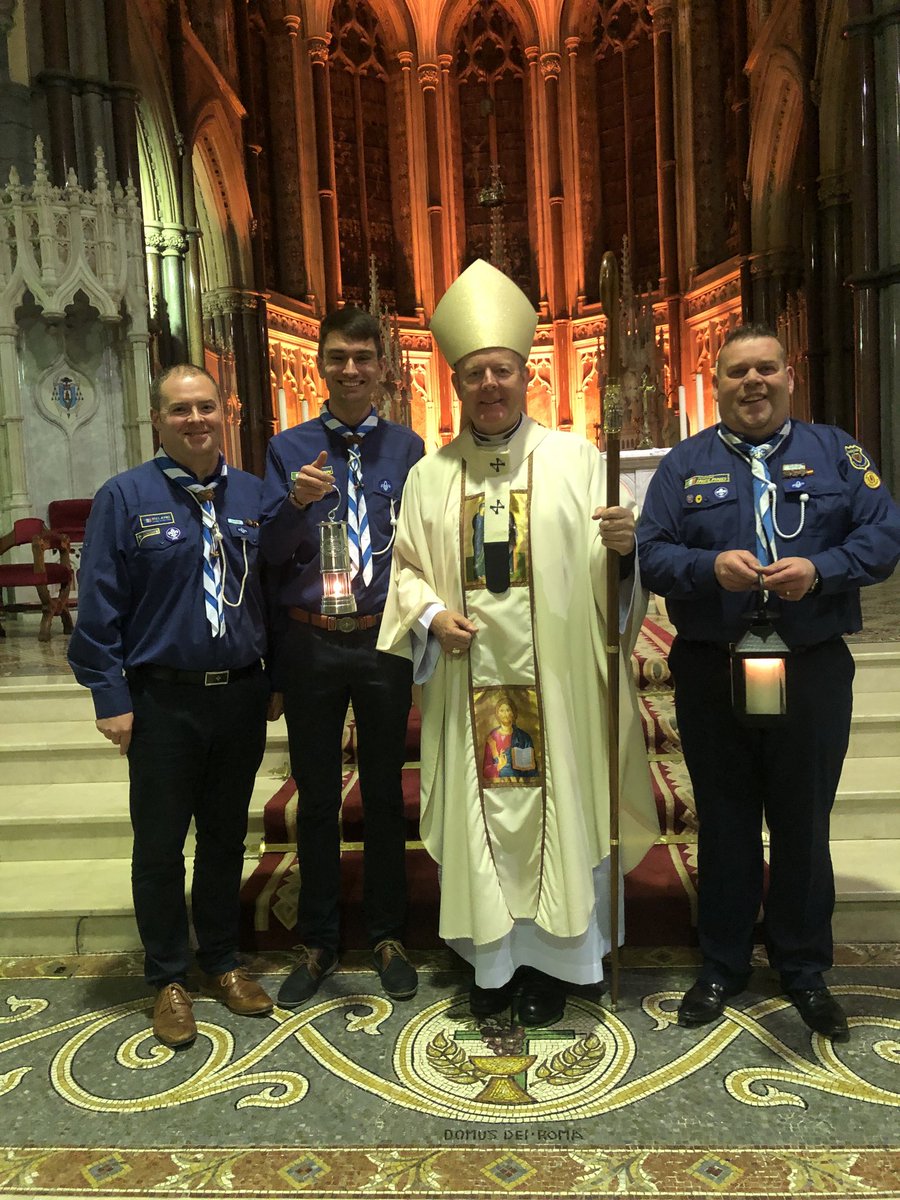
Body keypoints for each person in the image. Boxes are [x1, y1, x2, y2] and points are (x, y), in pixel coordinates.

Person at [378, 259, 658, 1026]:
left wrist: (630, 551)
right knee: (484, 820)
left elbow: (617, 579)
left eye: (501, 369)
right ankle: (495, 964)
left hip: (559, 690)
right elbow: (404, 570)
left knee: (563, 805)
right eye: (475, 374)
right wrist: (433, 615)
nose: (490, 384)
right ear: (458, 383)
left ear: (525, 372)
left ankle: (567, 958)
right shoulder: (430, 477)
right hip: (473, 688)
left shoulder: (576, 462)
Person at [637, 324, 900, 1040]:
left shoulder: (835, 452)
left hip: (810, 665)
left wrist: (822, 570)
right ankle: (721, 963)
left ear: (790, 377)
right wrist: (705, 569)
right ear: (715, 383)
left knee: (802, 822)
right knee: (723, 822)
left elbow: (882, 535)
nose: (752, 383)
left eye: (766, 369)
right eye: (736, 373)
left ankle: (804, 967)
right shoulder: (683, 465)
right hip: (712, 666)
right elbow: (651, 553)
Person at [68, 365, 276, 1048]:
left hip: (239, 696)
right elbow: (98, 605)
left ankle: (220, 959)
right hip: (161, 699)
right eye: (180, 410)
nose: (196, 420)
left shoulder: (252, 495)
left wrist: (272, 675)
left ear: (227, 414)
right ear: (158, 420)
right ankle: (167, 976)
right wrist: (109, 694)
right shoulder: (125, 497)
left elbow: (268, 592)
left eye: (207, 407)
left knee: (224, 838)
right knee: (160, 845)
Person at [260, 306, 425, 1008]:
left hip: (383, 638)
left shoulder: (410, 450)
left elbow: (424, 545)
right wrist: (294, 506)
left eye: (363, 356)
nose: (351, 369)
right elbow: (263, 554)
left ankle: (388, 933)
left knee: (385, 794)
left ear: (382, 365)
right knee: (319, 796)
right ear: (319, 364)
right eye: (338, 357)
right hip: (312, 641)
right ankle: (321, 939)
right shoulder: (287, 447)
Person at [482, 695, 538, 781]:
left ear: (513, 713)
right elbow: (485, 770)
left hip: (518, 784)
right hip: (496, 786)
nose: (505, 714)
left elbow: (531, 771)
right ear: (497, 714)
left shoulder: (524, 737)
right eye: (501, 710)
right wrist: (498, 766)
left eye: (508, 710)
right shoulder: (492, 737)